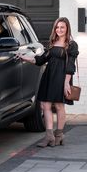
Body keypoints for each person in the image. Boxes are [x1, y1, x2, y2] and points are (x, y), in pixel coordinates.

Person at [19, 17, 79, 147]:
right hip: (48, 77)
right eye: (57, 27)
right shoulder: (52, 43)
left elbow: (70, 66)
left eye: (62, 27)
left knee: (59, 106)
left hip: (61, 78)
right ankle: (49, 136)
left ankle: (59, 135)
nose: (59, 30)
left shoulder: (71, 45)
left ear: (67, 28)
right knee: (45, 106)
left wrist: (66, 83)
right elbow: (40, 60)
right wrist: (25, 58)